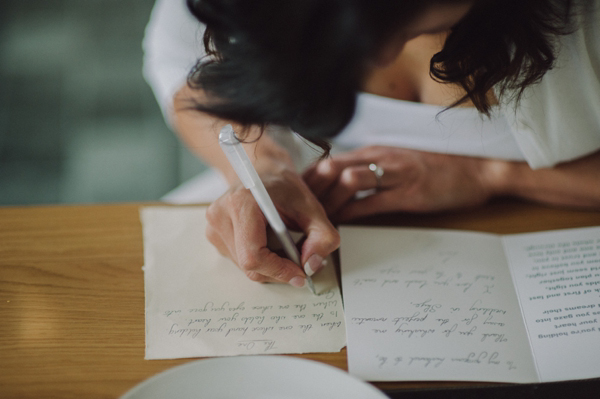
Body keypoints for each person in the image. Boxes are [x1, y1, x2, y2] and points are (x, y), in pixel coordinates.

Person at [143, 0, 600, 289]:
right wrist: (265, 169)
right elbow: (179, 62)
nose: (379, 59)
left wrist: (489, 175)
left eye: (400, 20)